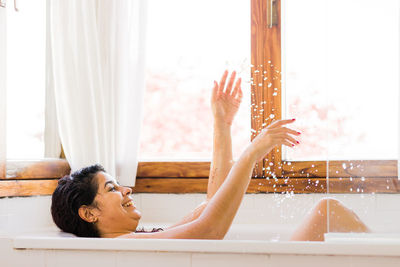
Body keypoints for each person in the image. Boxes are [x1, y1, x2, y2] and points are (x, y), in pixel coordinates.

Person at [51, 70, 369, 241]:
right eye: (112, 188)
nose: (127, 190)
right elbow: (210, 230)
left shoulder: (144, 242)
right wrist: (253, 151)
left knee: (328, 211)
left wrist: (222, 124)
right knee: (327, 212)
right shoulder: (123, 249)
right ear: (89, 213)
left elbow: (210, 208)